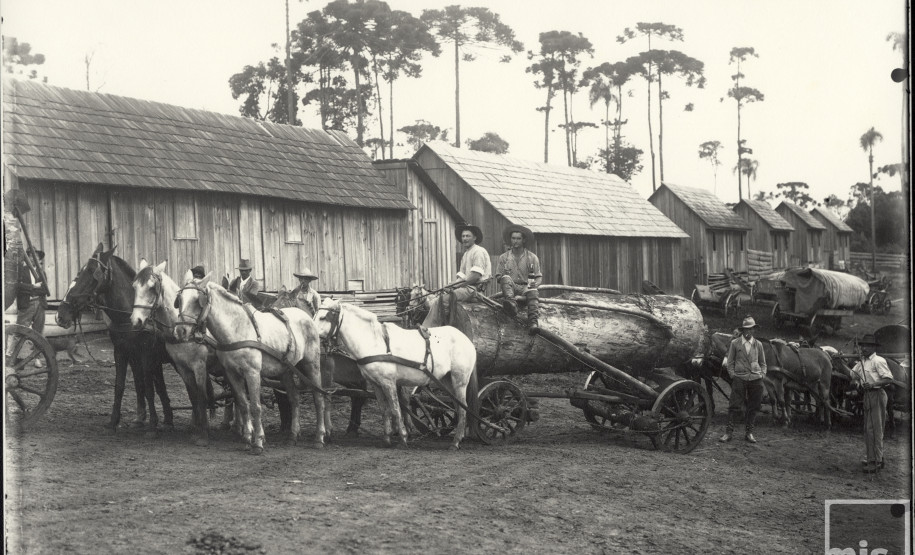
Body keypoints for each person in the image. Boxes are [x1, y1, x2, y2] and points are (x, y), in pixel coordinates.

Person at [423, 224, 491, 326]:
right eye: (463, 236)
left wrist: (455, 286)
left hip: (474, 290)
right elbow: (462, 277)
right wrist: (451, 285)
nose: (464, 238)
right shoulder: (466, 254)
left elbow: (475, 276)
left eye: (468, 236)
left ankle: (428, 328)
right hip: (466, 288)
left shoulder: (478, 251)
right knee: (439, 296)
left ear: (475, 238)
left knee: (441, 300)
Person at [850, 334, 894, 473]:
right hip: (867, 396)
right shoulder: (861, 362)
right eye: (861, 345)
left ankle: (876, 461)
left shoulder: (878, 360)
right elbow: (852, 375)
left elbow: (888, 379)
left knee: (875, 429)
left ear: (873, 347)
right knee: (868, 430)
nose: (863, 348)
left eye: (866, 345)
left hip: (877, 394)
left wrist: (873, 383)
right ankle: (872, 457)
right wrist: (838, 362)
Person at [720, 316, 767, 444]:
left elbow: (763, 363)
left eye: (751, 329)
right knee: (734, 405)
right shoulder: (735, 343)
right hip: (739, 378)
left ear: (754, 330)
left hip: (755, 378)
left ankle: (749, 433)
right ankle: (728, 433)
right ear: (742, 330)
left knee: (754, 406)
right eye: (746, 329)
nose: (748, 331)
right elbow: (730, 362)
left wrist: (762, 374)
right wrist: (732, 374)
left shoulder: (758, 345)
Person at [496, 224, 542, 330]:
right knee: (505, 278)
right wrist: (504, 274)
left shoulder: (532, 257)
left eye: (518, 238)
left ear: (523, 240)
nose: (515, 241)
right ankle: (511, 305)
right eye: (513, 238)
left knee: (533, 291)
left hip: (526, 289)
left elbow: (538, 277)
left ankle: (533, 323)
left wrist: (533, 285)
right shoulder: (504, 257)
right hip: (510, 290)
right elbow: (499, 278)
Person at [16, 248, 48, 367]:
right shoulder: (21, 271)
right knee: (19, 331)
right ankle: (14, 357)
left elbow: (45, 289)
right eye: (31, 256)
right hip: (26, 304)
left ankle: (37, 359)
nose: (34, 259)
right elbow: (17, 287)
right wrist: (33, 287)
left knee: (38, 333)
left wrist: (36, 289)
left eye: (37, 257)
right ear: (27, 258)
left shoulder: (41, 272)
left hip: (39, 304)